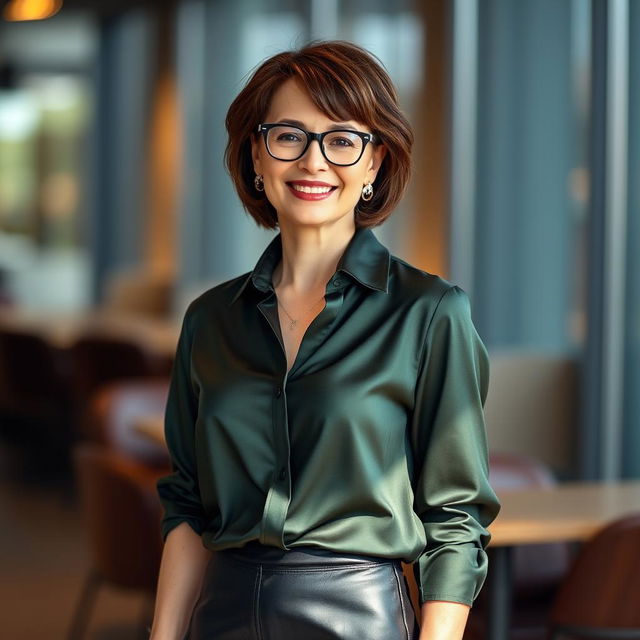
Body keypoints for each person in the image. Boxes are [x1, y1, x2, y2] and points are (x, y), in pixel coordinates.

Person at [149, 40, 501, 640]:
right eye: (288, 135)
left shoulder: (429, 312)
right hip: (223, 614)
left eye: (342, 140)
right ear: (256, 156)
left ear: (375, 162)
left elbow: (455, 519)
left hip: (359, 619)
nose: (314, 161)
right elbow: (187, 508)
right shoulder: (209, 319)